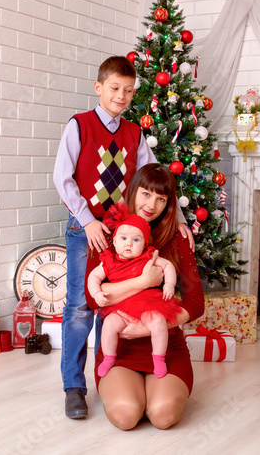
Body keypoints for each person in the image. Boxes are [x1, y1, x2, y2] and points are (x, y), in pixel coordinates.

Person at [53, 55, 193, 420]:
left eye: (129, 91)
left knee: (112, 307)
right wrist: (86, 221)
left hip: (124, 232)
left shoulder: (134, 132)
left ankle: (110, 367)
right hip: (88, 229)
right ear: (99, 87)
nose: (122, 95)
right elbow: (63, 178)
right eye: (115, 88)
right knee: (81, 305)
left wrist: (177, 218)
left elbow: (152, 179)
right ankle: (73, 386)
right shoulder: (79, 125)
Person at [85, 163, 204, 430]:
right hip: (119, 347)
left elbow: (196, 302)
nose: (152, 205)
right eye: (146, 194)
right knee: (126, 415)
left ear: (169, 203)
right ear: (132, 192)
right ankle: (126, 384)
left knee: (162, 415)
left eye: (161, 198)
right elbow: (94, 298)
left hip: (166, 345)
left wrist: (148, 327)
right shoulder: (108, 235)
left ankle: (157, 386)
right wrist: (142, 282)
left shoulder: (178, 238)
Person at [88, 202, 182, 379]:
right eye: (123, 238)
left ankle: (158, 358)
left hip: (147, 303)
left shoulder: (148, 256)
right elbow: (93, 277)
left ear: (145, 244)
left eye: (136, 240)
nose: (129, 244)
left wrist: (169, 284)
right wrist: (97, 294)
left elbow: (168, 265)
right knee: (109, 325)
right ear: (114, 241)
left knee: (158, 322)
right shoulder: (109, 261)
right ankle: (109, 358)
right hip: (120, 308)